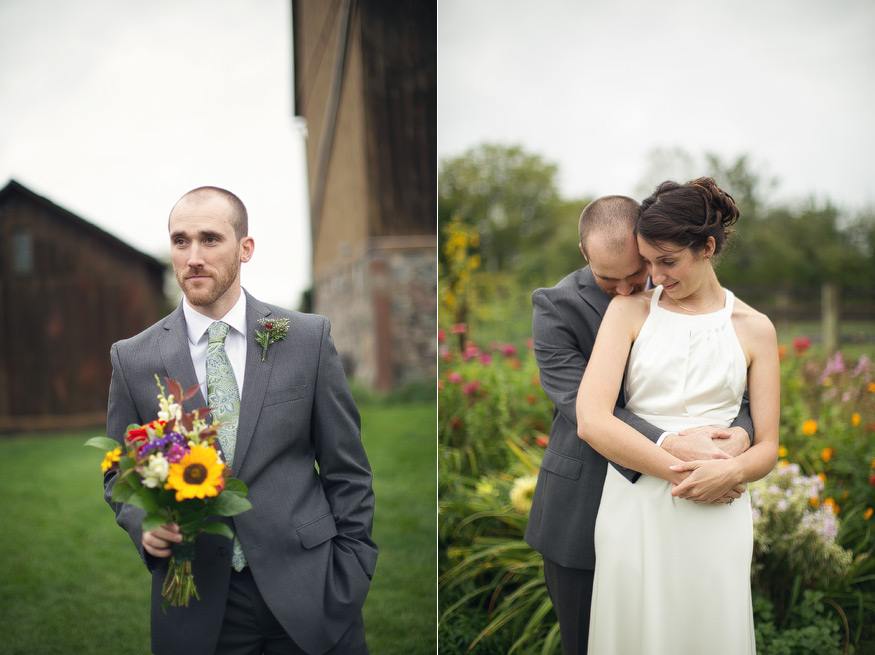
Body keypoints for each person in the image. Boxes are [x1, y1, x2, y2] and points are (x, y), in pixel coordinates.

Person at [103, 186, 377, 655]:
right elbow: (118, 472)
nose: (193, 257)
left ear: (245, 248)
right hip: (198, 603)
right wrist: (143, 523)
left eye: (210, 239)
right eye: (180, 241)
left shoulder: (306, 339)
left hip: (312, 589)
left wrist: (352, 566)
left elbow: (347, 469)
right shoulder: (133, 359)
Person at [524, 194, 755, 655]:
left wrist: (739, 436)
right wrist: (675, 445)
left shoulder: (680, 287)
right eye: (608, 280)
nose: (627, 290)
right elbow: (585, 409)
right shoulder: (555, 308)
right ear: (584, 253)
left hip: (678, 512)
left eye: (637, 273)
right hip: (583, 507)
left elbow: (732, 378)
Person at [576, 178, 780, 654]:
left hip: (719, 511)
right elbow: (591, 419)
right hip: (635, 508)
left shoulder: (756, 329)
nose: (656, 276)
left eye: (668, 262)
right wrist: (686, 471)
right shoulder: (628, 312)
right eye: (648, 262)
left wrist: (732, 471)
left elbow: (768, 444)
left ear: (706, 247)